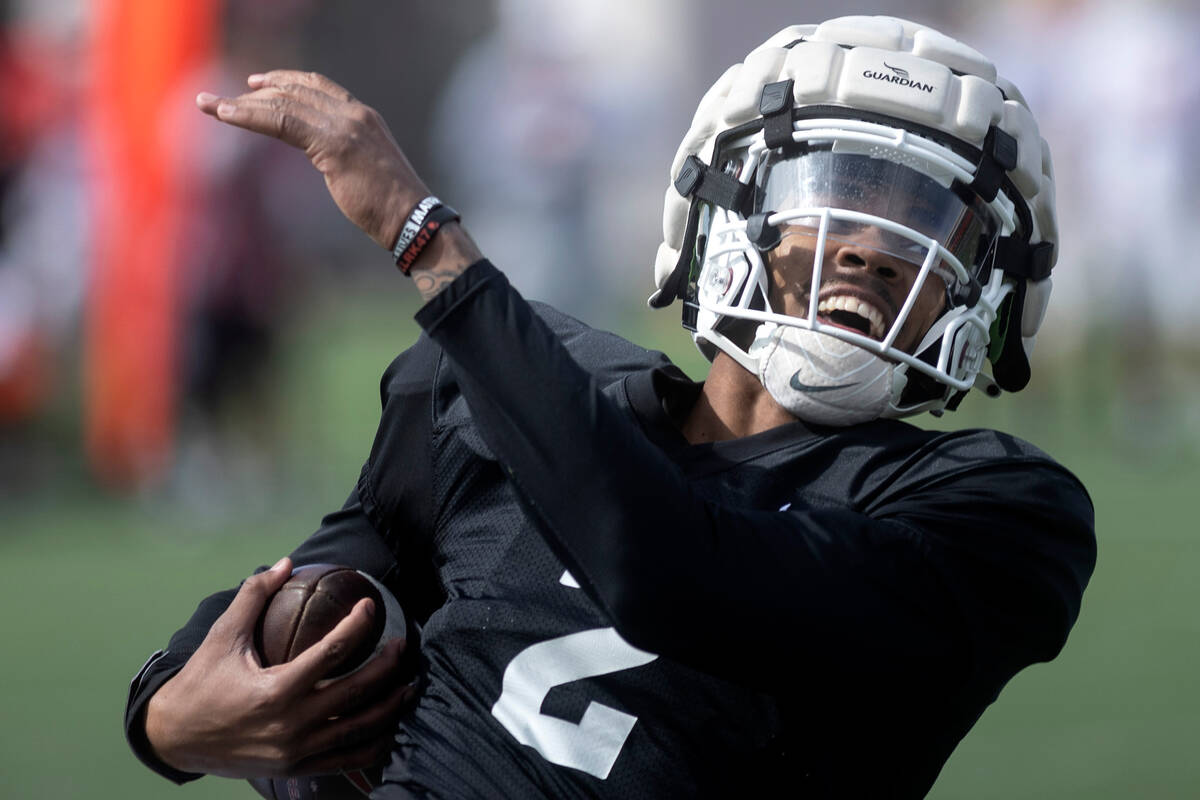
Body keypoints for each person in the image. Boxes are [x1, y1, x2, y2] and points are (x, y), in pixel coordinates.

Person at [124, 15, 1095, 799]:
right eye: (844, 193)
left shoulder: (996, 512)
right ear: (728, 210)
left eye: (930, 223)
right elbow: (296, 591)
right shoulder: (498, 386)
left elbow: (664, 570)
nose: (873, 247)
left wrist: (428, 241)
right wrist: (167, 717)